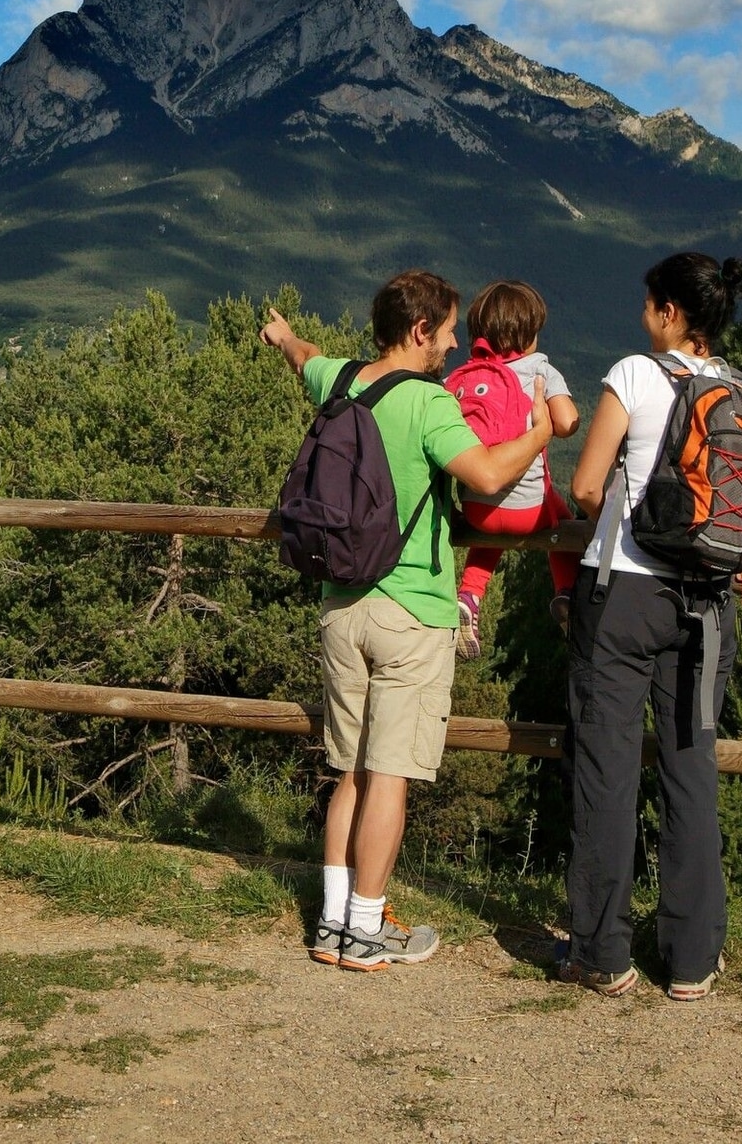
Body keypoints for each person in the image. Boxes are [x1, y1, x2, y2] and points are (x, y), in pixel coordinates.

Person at [562, 251, 742, 1000]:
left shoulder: (634, 373)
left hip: (624, 598)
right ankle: (691, 961)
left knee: (608, 769)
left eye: (647, 303)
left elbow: (587, 485)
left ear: (668, 313)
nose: (643, 315)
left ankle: (603, 953)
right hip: (709, 605)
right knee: (691, 772)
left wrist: (618, 529)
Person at [263, 271, 553, 971]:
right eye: (448, 330)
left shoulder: (340, 380)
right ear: (419, 330)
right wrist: (541, 430)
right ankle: (366, 929)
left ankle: (332, 925)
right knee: (389, 773)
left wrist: (282, 335)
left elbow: (305, 356)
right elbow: (485, 477)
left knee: (351, 770)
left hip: (340, 607)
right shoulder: (428, 404)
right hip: (411, 612)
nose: (456, 344)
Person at [447, 279, 583, 659]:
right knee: (562, 517)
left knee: (492, 526)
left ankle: (470, 595)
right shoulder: (541, 368)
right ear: (529, 335)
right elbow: (567, 422)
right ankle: (567, 595)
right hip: (528, 512)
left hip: (476, 509)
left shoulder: (465, 377)